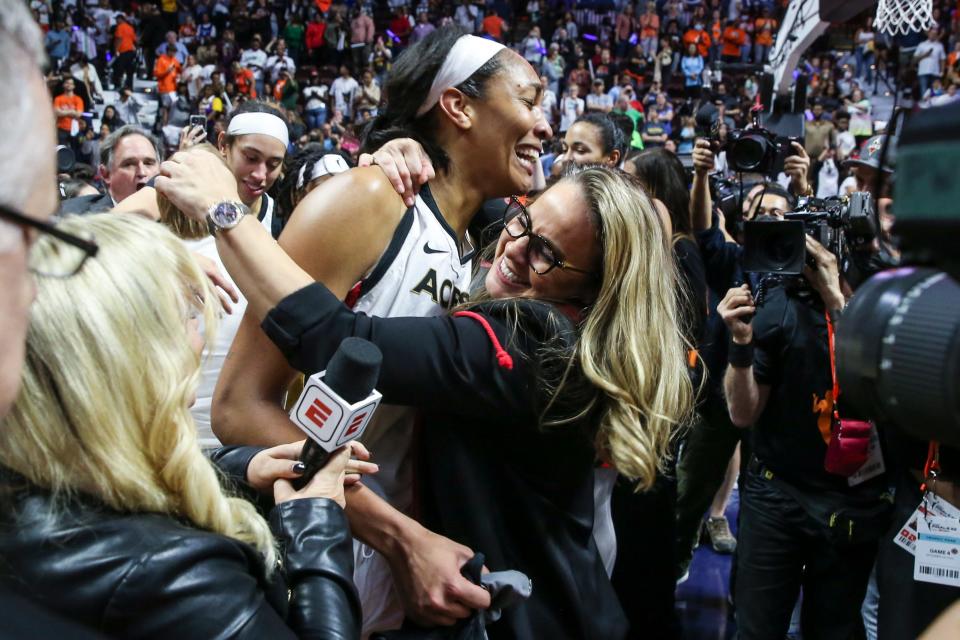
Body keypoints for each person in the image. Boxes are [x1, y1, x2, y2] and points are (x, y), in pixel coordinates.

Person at [159, 148, 693, 639]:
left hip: (526, 615)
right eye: (524, 218)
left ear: (594, 288)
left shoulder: (532, 341)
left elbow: (340, 339)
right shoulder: (558, 307)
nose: (513, 248)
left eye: (545, 254)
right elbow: (469, 202)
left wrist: (226, 210)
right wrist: (398, 152)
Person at [208, 28, 551, 635]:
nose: (544, 124)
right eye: (529, 99)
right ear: (459, 105)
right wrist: (399, 536)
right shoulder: (371, 199)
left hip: (405, 557)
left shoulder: (479, 245)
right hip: (314, 543)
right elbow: (239, 407)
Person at [0, 212, 368, 638]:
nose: (200, 339)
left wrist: (241, 470)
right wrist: (315, 520)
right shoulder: (175, 574)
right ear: (133, 358)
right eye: (186, 317)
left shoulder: (27, 476)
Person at [61, 125, 163, 214]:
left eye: (148, 163)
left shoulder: (175, 216)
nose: (142, 172)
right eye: (129, 164)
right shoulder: (71, 214)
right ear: (105, 174)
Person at [52, 77, 84, 147]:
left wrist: (63, 112)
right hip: (61, 129)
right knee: (62, 150)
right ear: (63, 85)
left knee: (75, 151)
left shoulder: (78, 99)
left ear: (74, 86)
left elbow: (78, 114)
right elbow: (57, 112)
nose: (69, 85)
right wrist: (72, 112)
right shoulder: (58, 99)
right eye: (67, 83)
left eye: (71, 83)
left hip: (74, 129)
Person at [914, 26, 945, 99]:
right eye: (931, 34)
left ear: (937, 35)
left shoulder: (939, 45)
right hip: (923, 71)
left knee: (935, 92)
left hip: (935, 72)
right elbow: (915, 59)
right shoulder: (922, 45)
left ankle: (935, 108)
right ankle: (925, 108)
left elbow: (942, 59)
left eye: (935, 34)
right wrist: (925, 55)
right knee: (924, 92)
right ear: (928, 34)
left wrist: (942, 71)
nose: (933, 35)